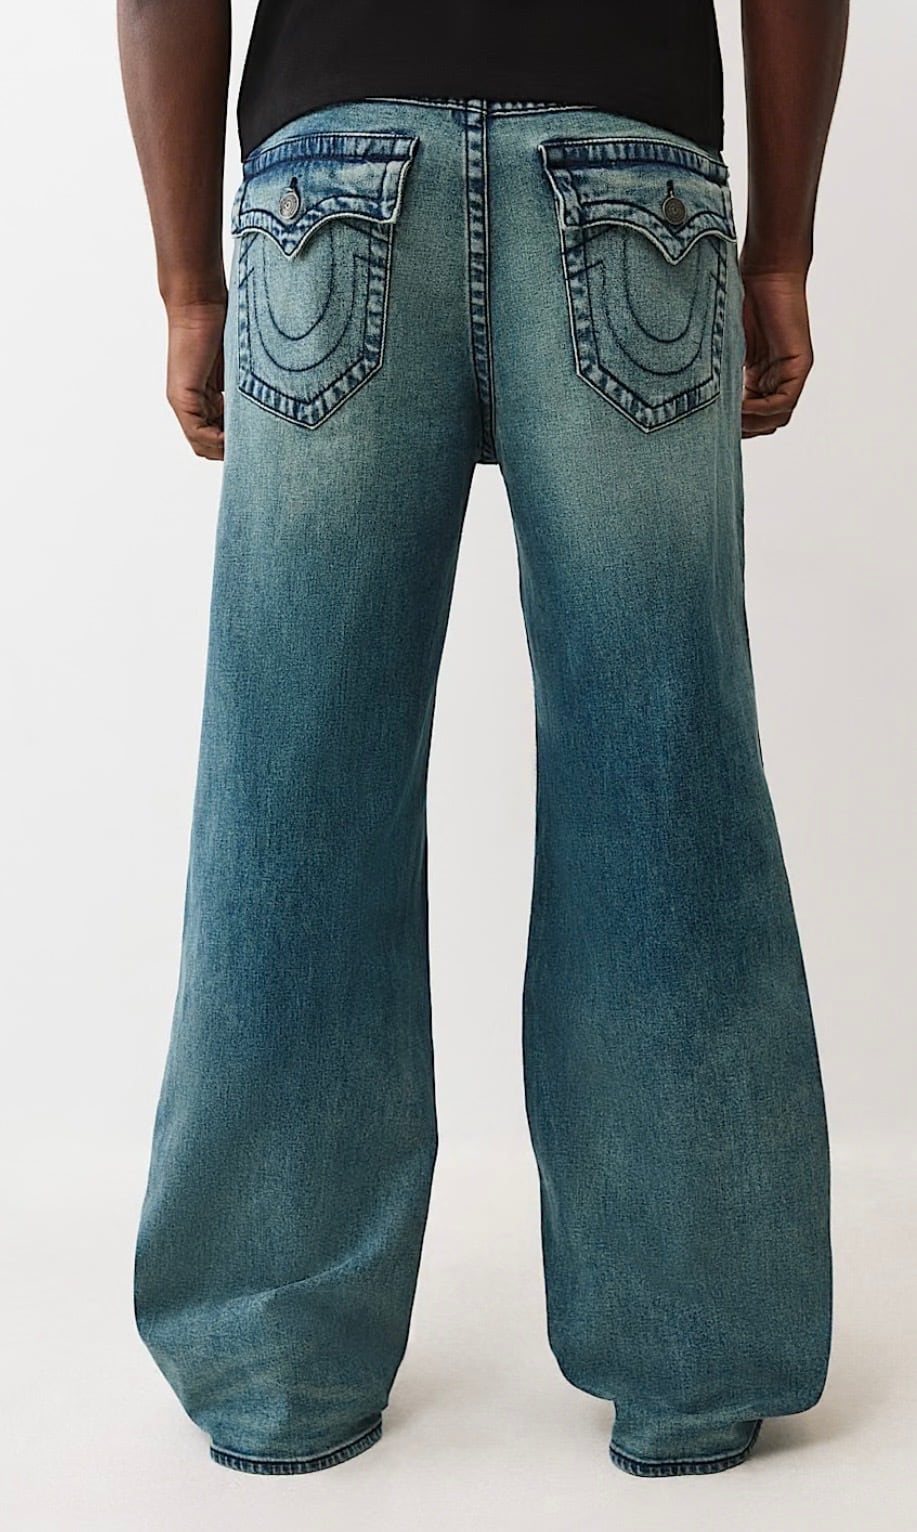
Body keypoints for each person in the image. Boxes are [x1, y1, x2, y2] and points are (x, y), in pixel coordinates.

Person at [118, 0, 849, 1480]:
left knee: (296, 787)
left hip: (332, 187)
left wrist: (191, 285)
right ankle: (693, 1364)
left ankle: (275, 1371)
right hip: (627, 174)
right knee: (662, 782)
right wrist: (778, 252)